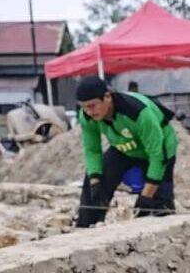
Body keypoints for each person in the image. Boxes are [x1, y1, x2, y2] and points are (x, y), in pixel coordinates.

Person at [74, 76, 178, 227]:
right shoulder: (87, 117)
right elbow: (92, 150)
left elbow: (157, 155)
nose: (89, 112)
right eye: (84, 107)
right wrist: (95, 181)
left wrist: (146, 195)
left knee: (158, 206)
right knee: (95, 187)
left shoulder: (138, 113)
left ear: (107, 97)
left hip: (159, 150)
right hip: (124, 148)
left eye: (92, 105)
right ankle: (86, 227)